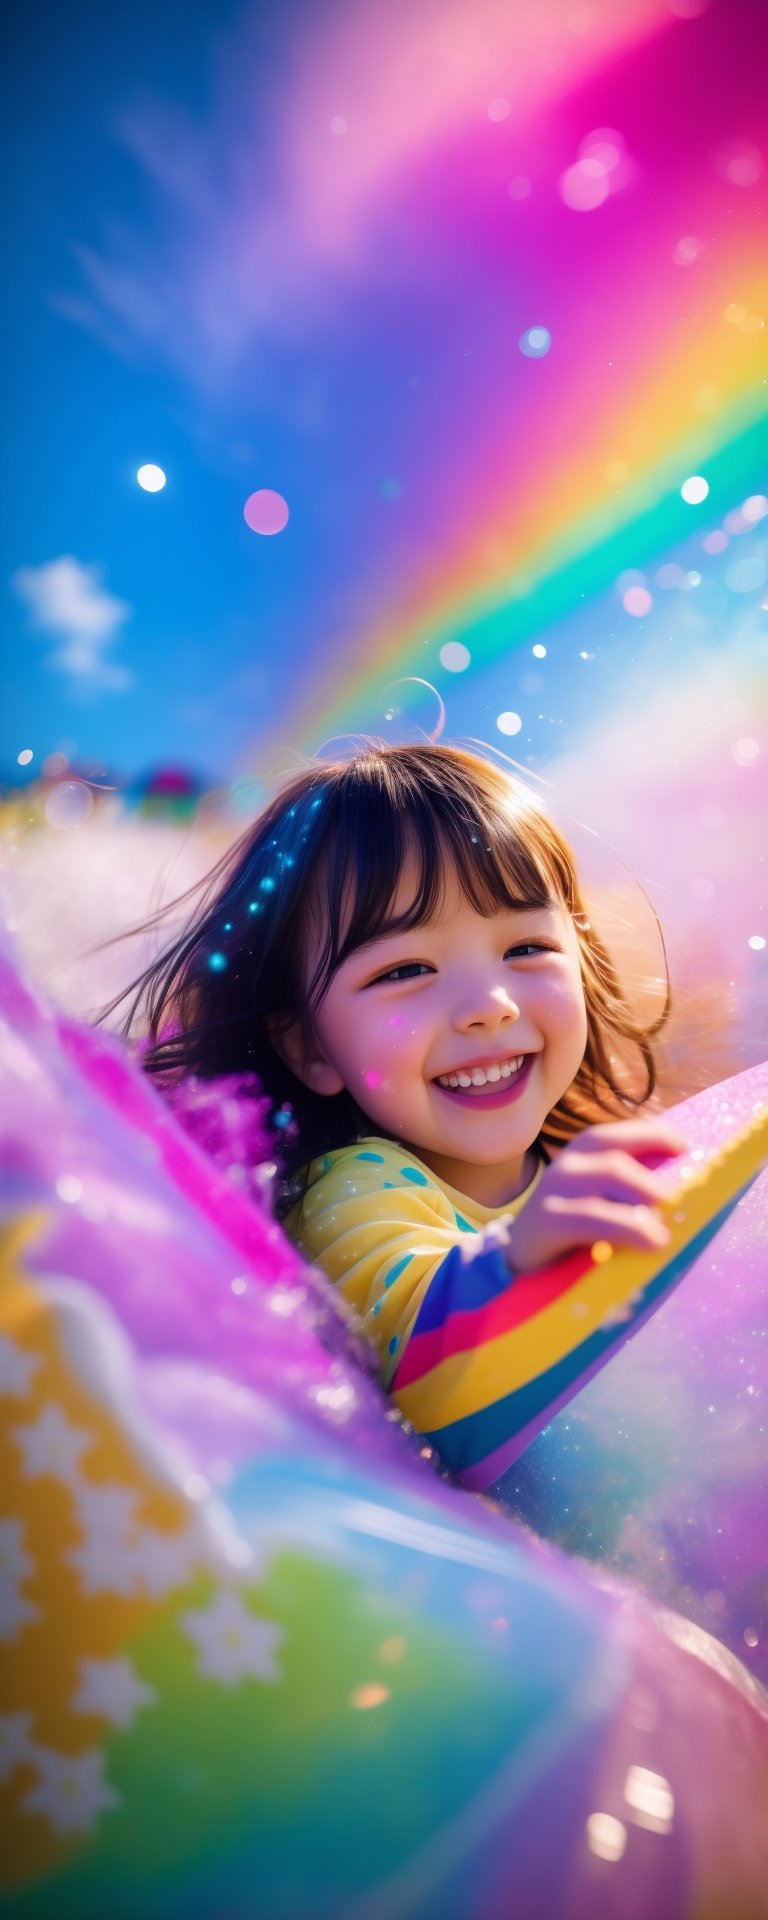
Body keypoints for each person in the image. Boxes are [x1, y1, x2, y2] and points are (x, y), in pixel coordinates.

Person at [113, 741, 684, 1407]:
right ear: (309, 1049)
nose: (489, 1008)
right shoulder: (351, 1189)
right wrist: (512, 1262)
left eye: (526, 948)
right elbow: (412, 1327)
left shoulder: (578, 1162)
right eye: (405, 970)